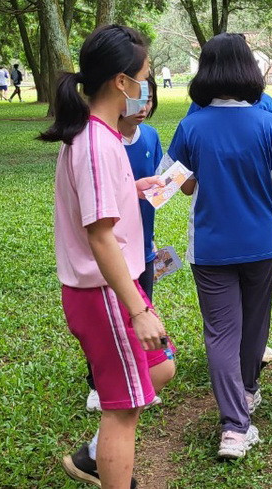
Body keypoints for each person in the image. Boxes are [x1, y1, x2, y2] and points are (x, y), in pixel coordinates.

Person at [39, 24, 175, 489]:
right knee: (124, 410)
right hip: (105, 294)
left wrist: (129, 188)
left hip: (112, 288)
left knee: (161, 367)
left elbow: (96, 204)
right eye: (144, 74)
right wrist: (137, 309)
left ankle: (92, 458)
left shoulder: (98, 136)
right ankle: (107, 468)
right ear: (122, 82)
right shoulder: (97, 143)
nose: (146, 84)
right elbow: (99, 238)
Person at [166, 32, 272, 460]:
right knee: (255, 325)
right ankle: (249, 390)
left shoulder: (191, 125)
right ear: (248, 70)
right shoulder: (269, 124)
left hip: (210, 246)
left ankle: (234, 429)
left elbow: (182, 186)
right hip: (260, 243)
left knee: (221, 333)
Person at [86, 79, 164, 412]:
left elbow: (157, 187)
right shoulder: (103, 141)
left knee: (139, 314)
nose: (144, 106)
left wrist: (162, 189)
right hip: (112, 247)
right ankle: (96, 383)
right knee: (108, 321)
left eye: (150, 99)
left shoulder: (151, 137)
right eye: (139, 98)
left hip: (143, 243)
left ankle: (137, 377)